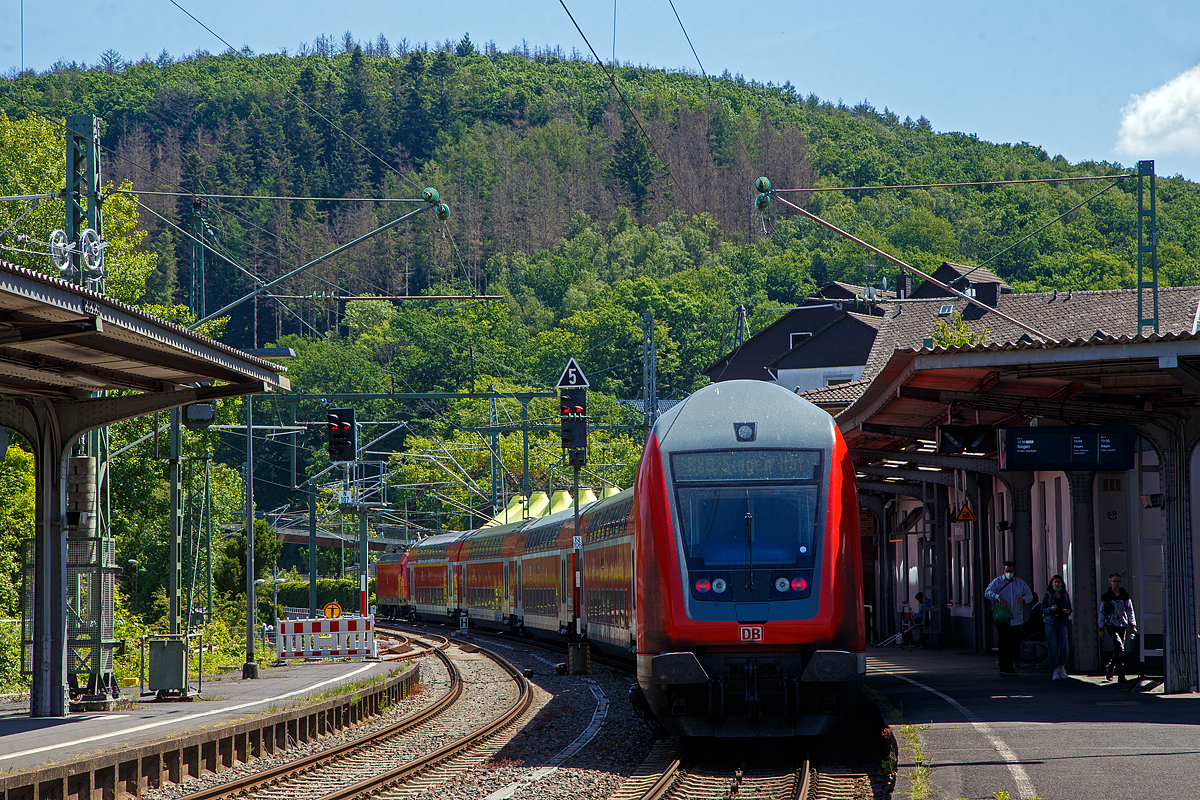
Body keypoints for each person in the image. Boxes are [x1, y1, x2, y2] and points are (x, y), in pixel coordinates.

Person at [985, 560, 1034, 676]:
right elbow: (987, 592)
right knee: (1004, 641)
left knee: (1013, 642)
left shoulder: (1020, 583)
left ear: (1014, 571)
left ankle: (1010, 664)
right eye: (1007, 571)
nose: (1009, 573)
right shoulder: (997, 582)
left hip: (1016, 618)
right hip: (1003, 618)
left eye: (1011, 571)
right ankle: (1004, 666)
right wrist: (997, 597)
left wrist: (1023, 599)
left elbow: (1029, 595)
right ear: (1003, 571)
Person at [1098, 573, 1137, 682]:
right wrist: (1101, 628)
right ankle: (1121, 674)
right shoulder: (1106, 596)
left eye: (1118, 581)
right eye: (1114, 581)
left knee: (1119, 649)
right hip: (1111, 624)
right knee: (1119, 646)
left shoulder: (1124, 595)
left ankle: (1111, 667)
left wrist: (1132, 624)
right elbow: (1102, 612)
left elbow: (1130, 610)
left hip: (1122, 624)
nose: (1116, 584)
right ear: (1110, 582)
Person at [1041, 575, 1072, 680]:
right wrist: (1050, 609)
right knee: (1053, 647)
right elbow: (1042, 609)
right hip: (1051, 623)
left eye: (1059, 582)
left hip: (1062, 621)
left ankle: (1061, 667)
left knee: (1064, 647)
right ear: (1052, 583)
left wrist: (1067, 611)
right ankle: (1054, 669)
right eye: (1055, 582)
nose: (1057, 584)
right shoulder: (1048, 595)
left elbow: (1070, 608)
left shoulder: (1065, 595)